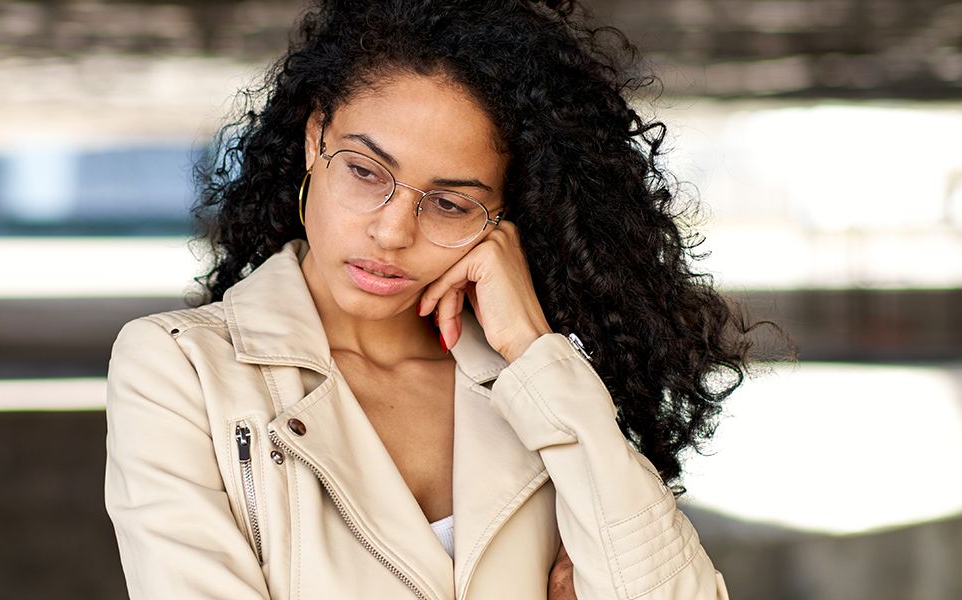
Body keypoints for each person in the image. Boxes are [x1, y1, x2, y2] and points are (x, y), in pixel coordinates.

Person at [105, 0, 756, 597]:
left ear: (505, 213)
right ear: (314, 138)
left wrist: (534, 352)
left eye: (449, 203)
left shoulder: (540, 388)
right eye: (365, 171)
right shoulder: (181, 371)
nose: (392, 232)